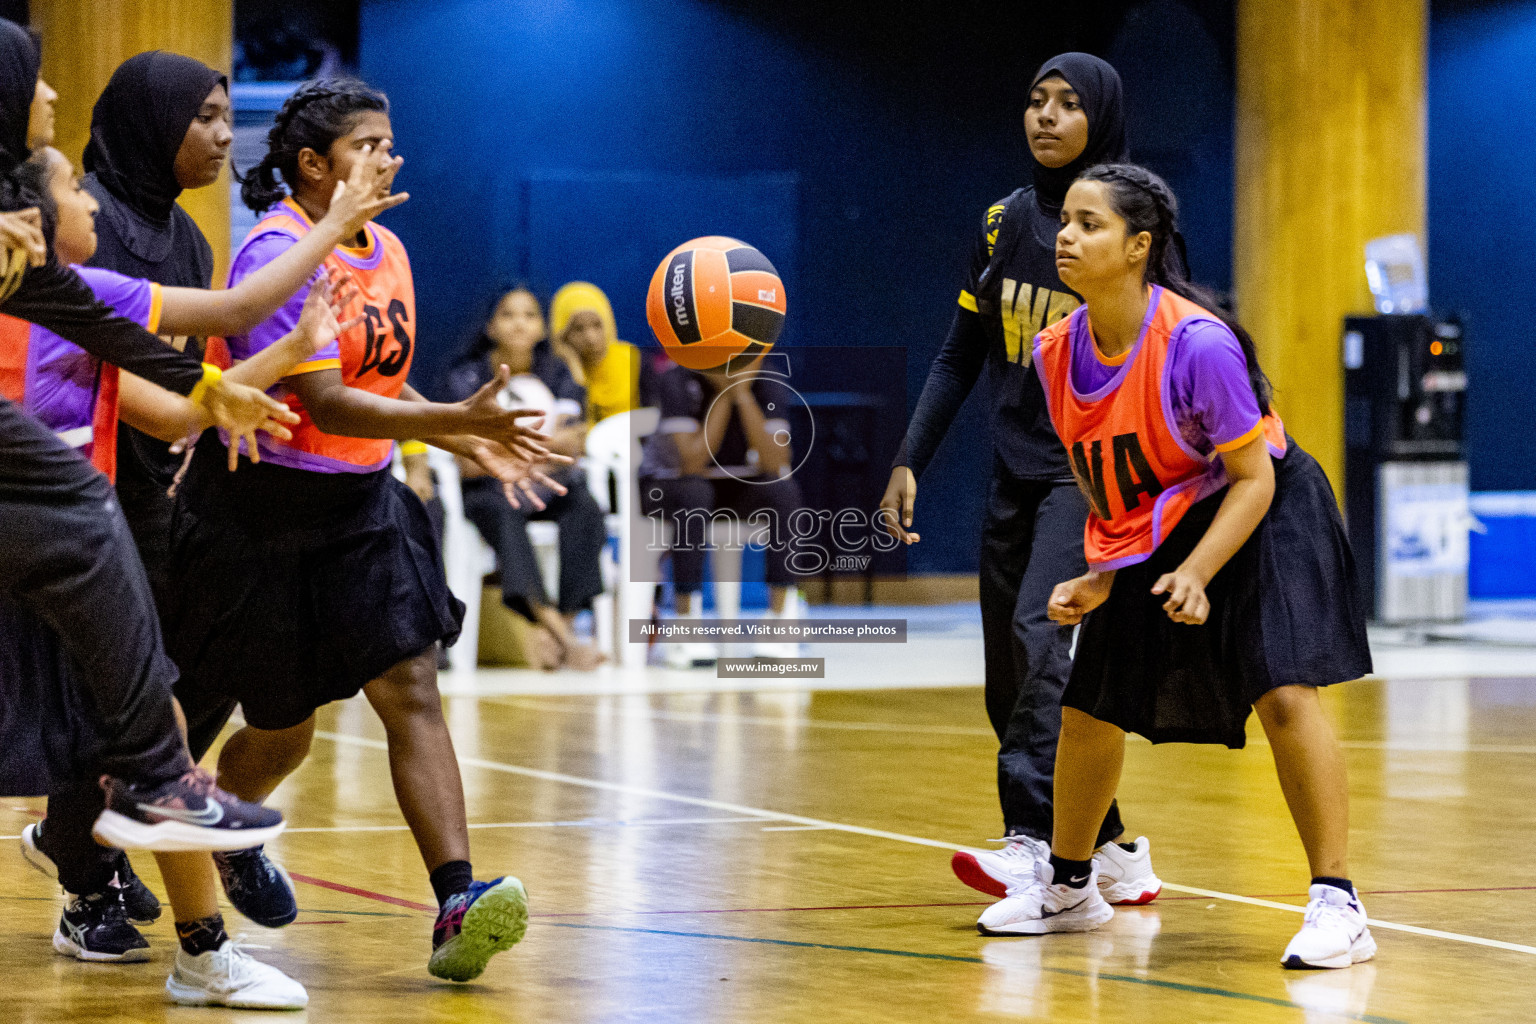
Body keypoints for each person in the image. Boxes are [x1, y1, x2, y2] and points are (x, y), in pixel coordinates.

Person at [162, 78, 560, 983]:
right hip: (261, 517)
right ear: (314, 164)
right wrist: (449, 421)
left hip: (362, 505)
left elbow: (376, 396)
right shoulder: (275, 253)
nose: (391, 157)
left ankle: (456, 900)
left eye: (392, 141)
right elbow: (324, 398)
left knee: (410, 689)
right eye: (370, 144)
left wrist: (459, 427)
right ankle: (216, 831)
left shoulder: (388, 249)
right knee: (283, 732)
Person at [8, 136, 400, 1004]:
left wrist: (287, 349)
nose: (96, 207)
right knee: (149, 736)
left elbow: (182, 411)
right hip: (30, 562)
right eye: (77, 192)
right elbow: (232, 305)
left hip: (61, 570)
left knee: (161, 732)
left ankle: (201, 951)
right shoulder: (39, 308)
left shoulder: (83, 305)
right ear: (32, 219)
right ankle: (110, 859)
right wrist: (335, 221)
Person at [978, 162, 1375, 973]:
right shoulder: (1058, 353)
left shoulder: (1196, 344)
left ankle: (1340, 903)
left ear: (1138, 247)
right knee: (1088, 706)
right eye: (1067, 221)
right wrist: (1104, 572)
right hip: (1168, 519)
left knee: (1283, 688)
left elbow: (1254, 478)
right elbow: (1104, 480)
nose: (1067, 235)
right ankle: (1070, 888)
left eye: (1091, 224)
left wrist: (1194, 571)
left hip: (1264, 507)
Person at [0, 17, 296, 857]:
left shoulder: (37, 233)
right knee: (87, 514)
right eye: (35, 81)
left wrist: (207, 386)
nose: (54, 94)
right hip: (86, 473)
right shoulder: (42, 220)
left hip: (109, 482)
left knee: (87, 570)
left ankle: (142, 791)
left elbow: (94, 322)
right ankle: (145, 794)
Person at [879, 53, 1160, 907]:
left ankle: (1035, 846)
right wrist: (908, 460)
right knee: (1010, 672)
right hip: (1014, 470)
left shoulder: (1131, 217)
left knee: (1044, 642)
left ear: (1101, 118)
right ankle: (1110, 848)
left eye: (1069, 104)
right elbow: (960, 354)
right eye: (1035, 99)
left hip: (1090, 472)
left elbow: (1164, 345)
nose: (1045, 116)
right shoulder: (1003, 224)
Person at [443, 285, 608, 670]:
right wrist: (531, 451)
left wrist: (511, 449)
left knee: (585, 507)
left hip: (547, 485)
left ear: (542, 328)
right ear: (490, 326)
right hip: (488, 488)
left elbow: (574, 441)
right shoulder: (467, 376)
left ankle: (557, 630)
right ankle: (566, 638)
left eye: (530, 315)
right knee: (503, 507)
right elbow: (467, 456)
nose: (520, 324)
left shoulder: (557, 371)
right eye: (509, 314)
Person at [640, 352, 805, 666]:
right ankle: (687, 625)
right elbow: (691, 463)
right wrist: (725, 396)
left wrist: (742, 395)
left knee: (784, 491)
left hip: (734, 488)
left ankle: (779, 620)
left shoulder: (768, 380)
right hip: (669, 486)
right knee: (695, 492)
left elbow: (776, 462)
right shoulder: (677, 378)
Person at [549, 279, 644, 423]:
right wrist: (573, 367)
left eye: (597, 325)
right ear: (562, 335)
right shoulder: (556, 375)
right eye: (578, 329)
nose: (590, 338)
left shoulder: (632, 359)